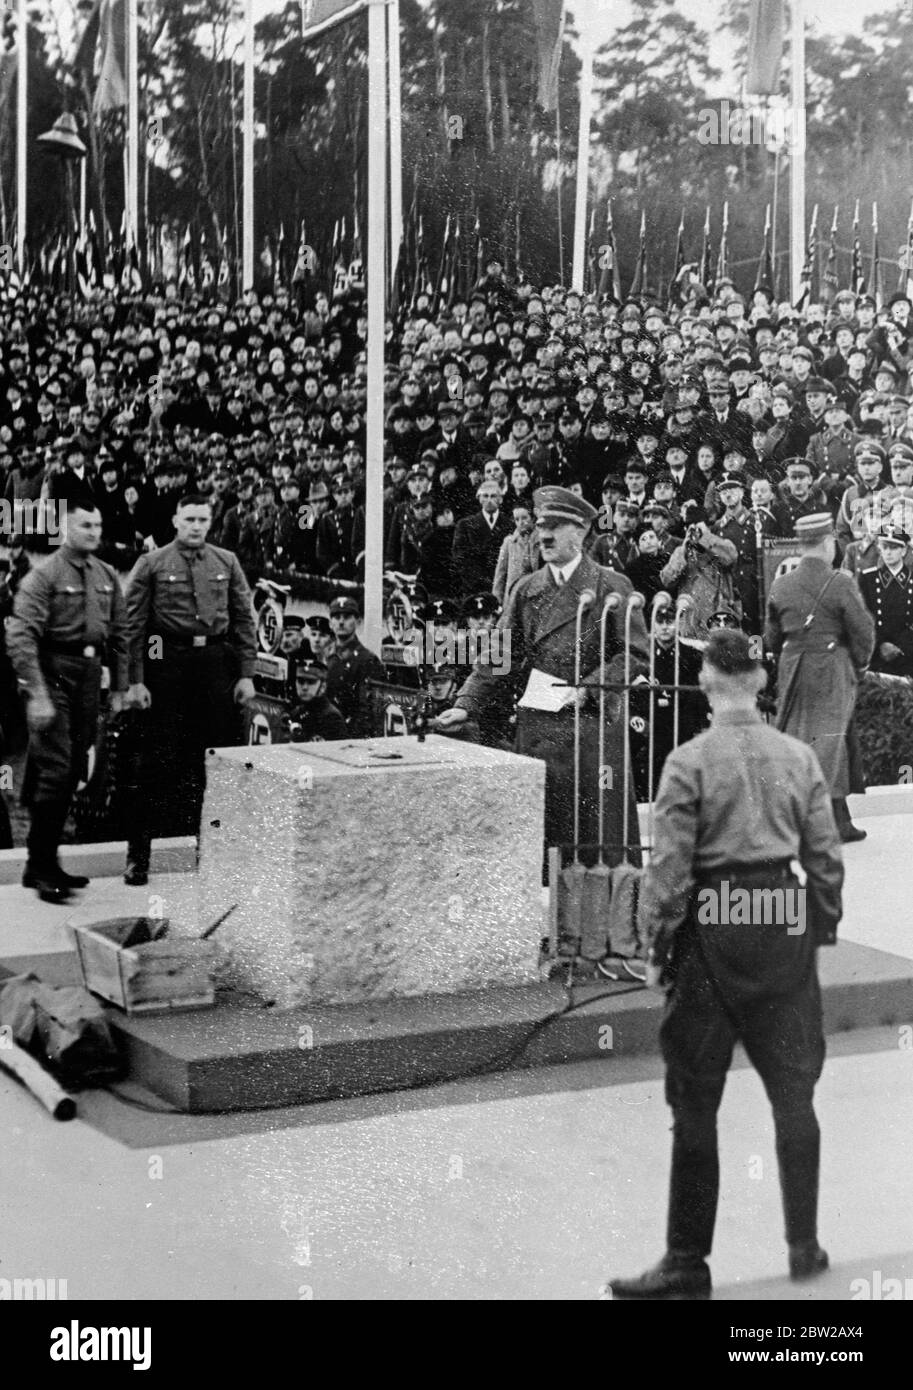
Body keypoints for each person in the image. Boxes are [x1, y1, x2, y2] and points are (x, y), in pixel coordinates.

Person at [605, 629, 843, 1301]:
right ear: (763, 681)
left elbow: (671, 873)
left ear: (707, 683)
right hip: (781, 923)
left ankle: (687, 1263)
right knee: (795, 1096)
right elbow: (824, 859)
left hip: (713, 929)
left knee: (696, 1100)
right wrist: (816, 926)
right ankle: (804, 1247)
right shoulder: (796, 758)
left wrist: (656, 947)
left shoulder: (688, 763)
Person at [437, 485, 649, 874]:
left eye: (557, 525)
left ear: (582, 531)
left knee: (595, 844)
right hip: (540, 730)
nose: (545, 535)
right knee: (545, 840)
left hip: (592, 728)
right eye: (541, 525)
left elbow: (636, 654)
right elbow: (497, 659)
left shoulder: (611, 586)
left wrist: (591, 685)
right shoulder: (526, 589)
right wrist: (464, 704)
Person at [122, 493, 257, 885]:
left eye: (203, 519)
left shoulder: (226, 562)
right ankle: (138, 856)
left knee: (213, 762)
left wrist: (245, 674)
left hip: (214, 666)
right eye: (189, 519)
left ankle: (211, 852)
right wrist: (135, 680)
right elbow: (132, 627)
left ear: (210, 521)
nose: (196, 526)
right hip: (167, 665)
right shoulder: (151, 563)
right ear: (175, 520)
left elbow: (244, 621)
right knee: (153, 760)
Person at [6, 504, 128, 902]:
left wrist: (120, 687)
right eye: (85, 525)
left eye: (98, 524)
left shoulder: (106, 574)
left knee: (75, 765)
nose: (94, 532)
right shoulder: (43, 576)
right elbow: (21, 637)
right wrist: (37, 693)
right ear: (63, 528)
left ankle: (43, 863)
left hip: (89, 676)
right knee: (57, 767)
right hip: (54, 671)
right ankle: (40, 865)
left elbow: (121, 634)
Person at [764, 512, 875, 843]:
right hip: (832, 665)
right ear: (828, 543)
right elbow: (864, 631)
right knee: (831, 740)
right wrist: (858, 666)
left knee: (801, 739)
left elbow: (769, 638)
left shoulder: (781, 584)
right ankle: (827, 823)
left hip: (792, 666)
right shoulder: (841, 582)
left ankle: (826, 820)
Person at [857, 522, 913, 678]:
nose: (888, 553)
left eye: (894, 548)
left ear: (904, 551)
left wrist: (901, 647)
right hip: (877, 653)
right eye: (885, 547)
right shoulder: (868, 578)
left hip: (907, 654)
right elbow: (863, 617)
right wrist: (881, 644)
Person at [324, 595, 384, 736]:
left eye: (347, 617)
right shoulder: (324, 654)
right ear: (330, 623)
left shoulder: (367, 660)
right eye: (336, 617)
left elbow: (367, 711)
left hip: (349, 735)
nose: (341, 622)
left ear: (357, 621)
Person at [282, 654, 348, 742]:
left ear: (323, 686)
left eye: (311, 682)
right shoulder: (296, 712)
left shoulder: (331, 718)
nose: (304, 687)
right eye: (300, 681)